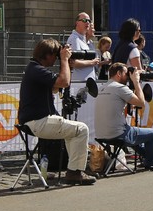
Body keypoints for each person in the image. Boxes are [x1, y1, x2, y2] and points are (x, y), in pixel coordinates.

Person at [17, 39, 97, 185]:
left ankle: (73, 169)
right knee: (82, 129)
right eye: (55, 56)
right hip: (38, 121)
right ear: (47, 55)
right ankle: (74, 172)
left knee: (73, 132)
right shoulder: (36, 70)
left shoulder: (34, 69)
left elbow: (56, 87)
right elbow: (64, 82)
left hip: (34, 121)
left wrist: (68, 66)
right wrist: (64, 60)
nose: (56, 59)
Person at [94, 62, 153, 171]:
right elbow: (141, 103)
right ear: (119, 73)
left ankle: (150, 157)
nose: (128, 76)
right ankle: (150, 163)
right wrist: (136, 81)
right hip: (118, 134)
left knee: (133, 135)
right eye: (126, 74)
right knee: (152, 133)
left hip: (101, 135)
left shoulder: (102, 87)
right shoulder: (120, 88)